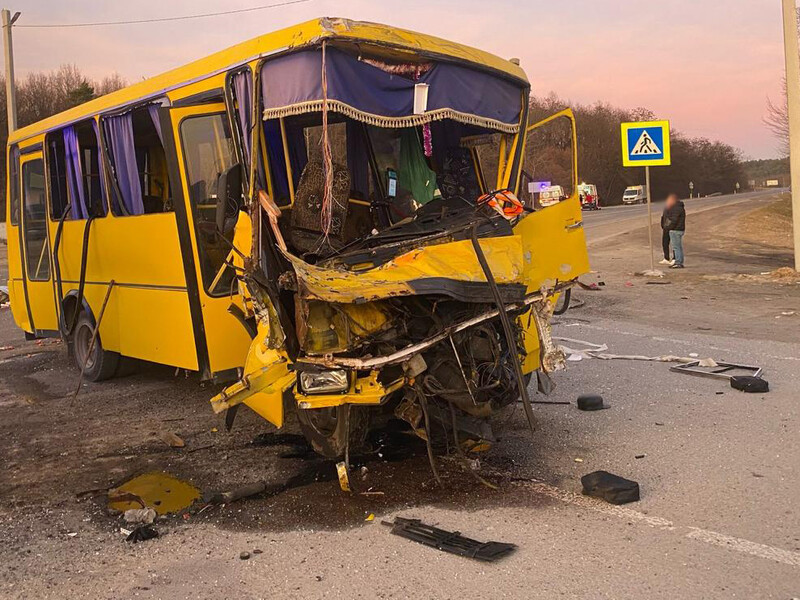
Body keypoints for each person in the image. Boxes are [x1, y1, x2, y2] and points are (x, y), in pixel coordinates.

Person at [661, 194, 686, 269]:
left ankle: (678, 262)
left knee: (676, 247)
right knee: (678, 247)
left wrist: (668, 227)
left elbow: (673, 220)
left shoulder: (676, 208)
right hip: (678, 229)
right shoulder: (677, 207)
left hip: (676, 230)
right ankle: (679, 261)